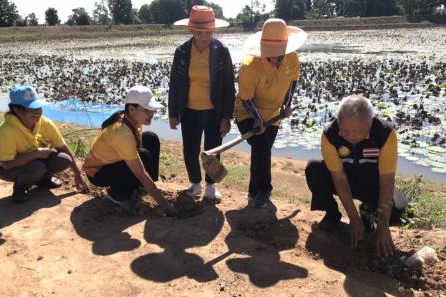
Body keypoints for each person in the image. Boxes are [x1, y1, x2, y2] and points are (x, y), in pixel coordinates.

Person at [305, 95, 408, 257]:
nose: (350, 136)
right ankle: (332, 214)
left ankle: (366, 212)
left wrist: (382, 227)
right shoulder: (329, 134)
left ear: (370, 122)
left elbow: (386, 184)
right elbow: (339, 178)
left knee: (399, 214)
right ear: (338, 121)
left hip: (373, 184)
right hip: (346, 181)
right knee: (314, 169)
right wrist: (352, 218)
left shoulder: (385, 134)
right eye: (344, 130)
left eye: (357, 131)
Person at [236, 18, 307, 208]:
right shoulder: (250, 66)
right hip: (247, 113)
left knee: (261, 151)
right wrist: (257, 118)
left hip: (274, 114)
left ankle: (253, 193)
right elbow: (245, 98)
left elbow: (293, 82)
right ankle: (265, 190)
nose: (275, 57)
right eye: (270, 54)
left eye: (278, 53)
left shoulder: (292, 58)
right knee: (261, 147)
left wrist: (287, 105)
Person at [168, 5, 235, 201]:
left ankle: (211, 186)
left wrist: (226, 116)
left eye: (207, 32)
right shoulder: (181, 52)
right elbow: (174, 84)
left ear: (213, 30)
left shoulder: (222, 52)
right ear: (191, 30)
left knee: (213, 150)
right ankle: (195, 184)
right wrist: (173, 113)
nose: (203, 37)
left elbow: (229, 87)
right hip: (189, 110)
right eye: (198, 32)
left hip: (214, 111)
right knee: (190, 149)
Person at [83, 85, 178, 217]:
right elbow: (142, 174)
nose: (152, 114)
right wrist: (166, 206)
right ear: (132, 109)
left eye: (152, 110)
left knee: (151, 138)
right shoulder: (121, 133)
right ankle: (117, 194)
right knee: (143, 156)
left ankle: (144, 187)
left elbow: (140, 145)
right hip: (98, 173)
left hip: (113, 164)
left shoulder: (132, 120)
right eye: (146, 110)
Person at [0, 85, 88, 203]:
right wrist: (35, 154)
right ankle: (20, 190)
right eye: (31, 108)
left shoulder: (45, 123)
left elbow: (63, 148)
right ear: (17, 110)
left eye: (38, 107)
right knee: (37, 167)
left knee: (64, 159)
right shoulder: (8, 130)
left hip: (33, 160)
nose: (37, 112)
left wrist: (77, 174)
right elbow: (7, 164)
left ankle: (43, 181)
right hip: (3, 168)